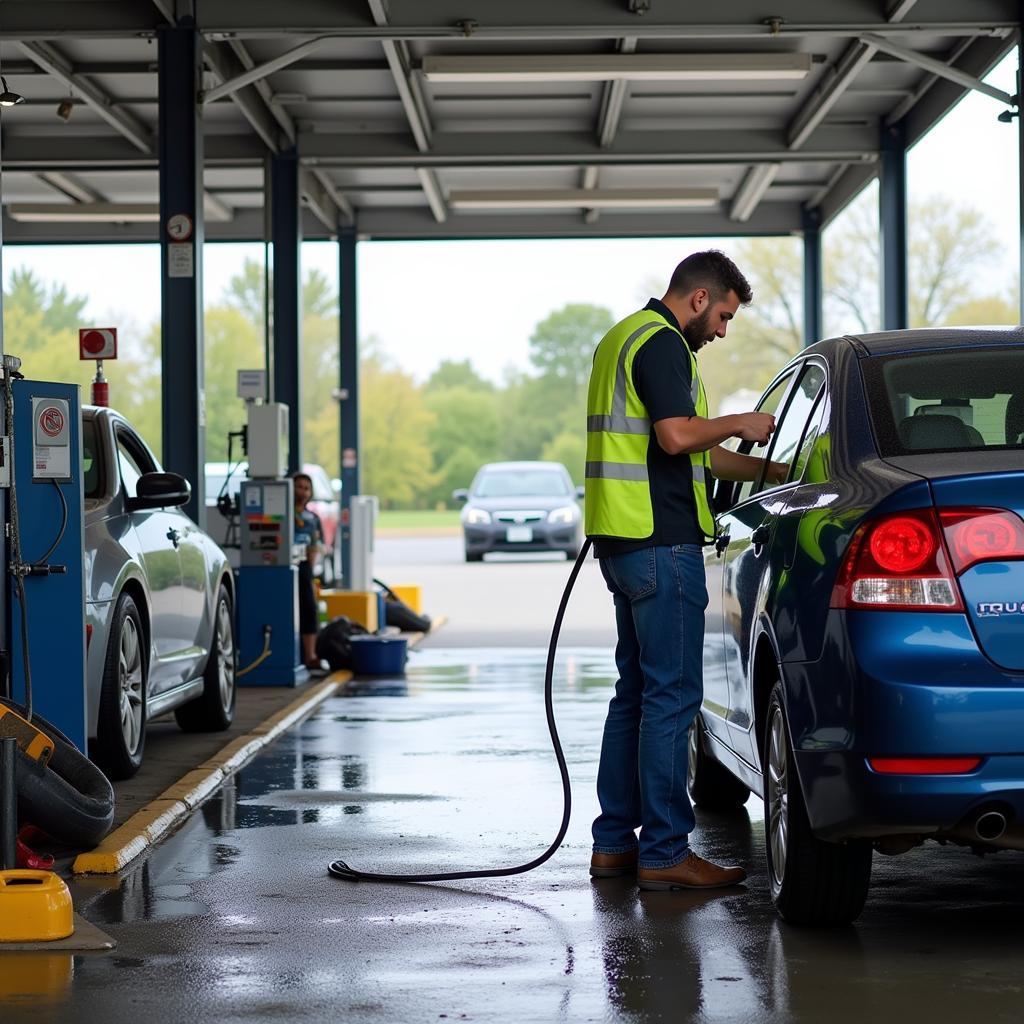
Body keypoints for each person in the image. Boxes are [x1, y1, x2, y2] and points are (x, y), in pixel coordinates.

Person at [585, 249, 787, 891]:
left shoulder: (624, 338)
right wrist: (739, 421)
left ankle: (614, 844)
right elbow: (676, 437)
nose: (723, 330)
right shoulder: (665, 345)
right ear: (699, 298)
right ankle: (667, 853)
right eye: (724, 315)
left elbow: (689, 457)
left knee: (637, 695)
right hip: (661, 541)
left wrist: (770, 472)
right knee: (673, 699)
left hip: (623, 540)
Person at [293, 471, 325, 673]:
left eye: (307, 488)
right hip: (283, 567)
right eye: (299, 487)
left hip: (304, 568)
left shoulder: (312, 518)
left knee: (309, 609)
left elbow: (315, 545)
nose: (303, 492)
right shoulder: (283, 514)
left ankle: (310, 655)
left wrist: (311, 573)